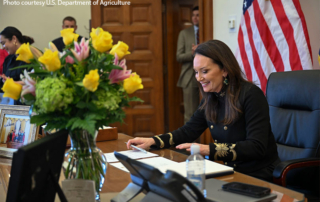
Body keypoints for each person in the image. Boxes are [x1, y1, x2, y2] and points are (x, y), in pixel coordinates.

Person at [127, 40, 280, 182]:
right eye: (196, 72)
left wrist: (208, 149)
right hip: (227, 171)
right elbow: (188, 131)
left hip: (257, 175)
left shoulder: (251, 94)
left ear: (224, 70)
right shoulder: (211, 97)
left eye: (204, 71)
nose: (198, 78)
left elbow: (256, 147)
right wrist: (153, 141)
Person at [176, 6, 200, 124]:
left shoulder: (207, 30)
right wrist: (191, 54)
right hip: (189, 77)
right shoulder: (184, 33)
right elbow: (179, 56)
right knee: (190, 114)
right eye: (193, 15)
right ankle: (189, 142)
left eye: (198, 15)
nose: (195, 18)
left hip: (206, 77)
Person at [0, 26, 34, 105]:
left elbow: (33, 81)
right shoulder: (8, 59)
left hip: (27, 102)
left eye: (3, 43)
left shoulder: (32, 56)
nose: (2, 47)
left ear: (14, 39)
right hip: (12, 103)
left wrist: (13, 83)